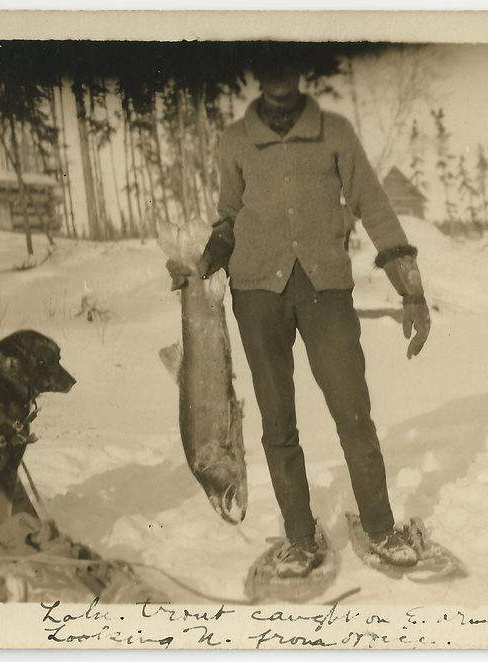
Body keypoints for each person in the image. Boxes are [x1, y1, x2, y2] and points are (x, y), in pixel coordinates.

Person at [168, 58, 431, 579]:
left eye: (290, 63)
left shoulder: (334, 131)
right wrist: (202, 267)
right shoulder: (235, 140)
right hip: (255, 293)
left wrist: (410, 288)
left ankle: (379, 527)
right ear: (257, 75)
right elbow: (228, 217)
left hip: (325, 289)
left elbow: (372, 203)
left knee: (352, 410)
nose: (280, 77)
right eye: (269, 66)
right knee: (276, 421)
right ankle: (298, 537)